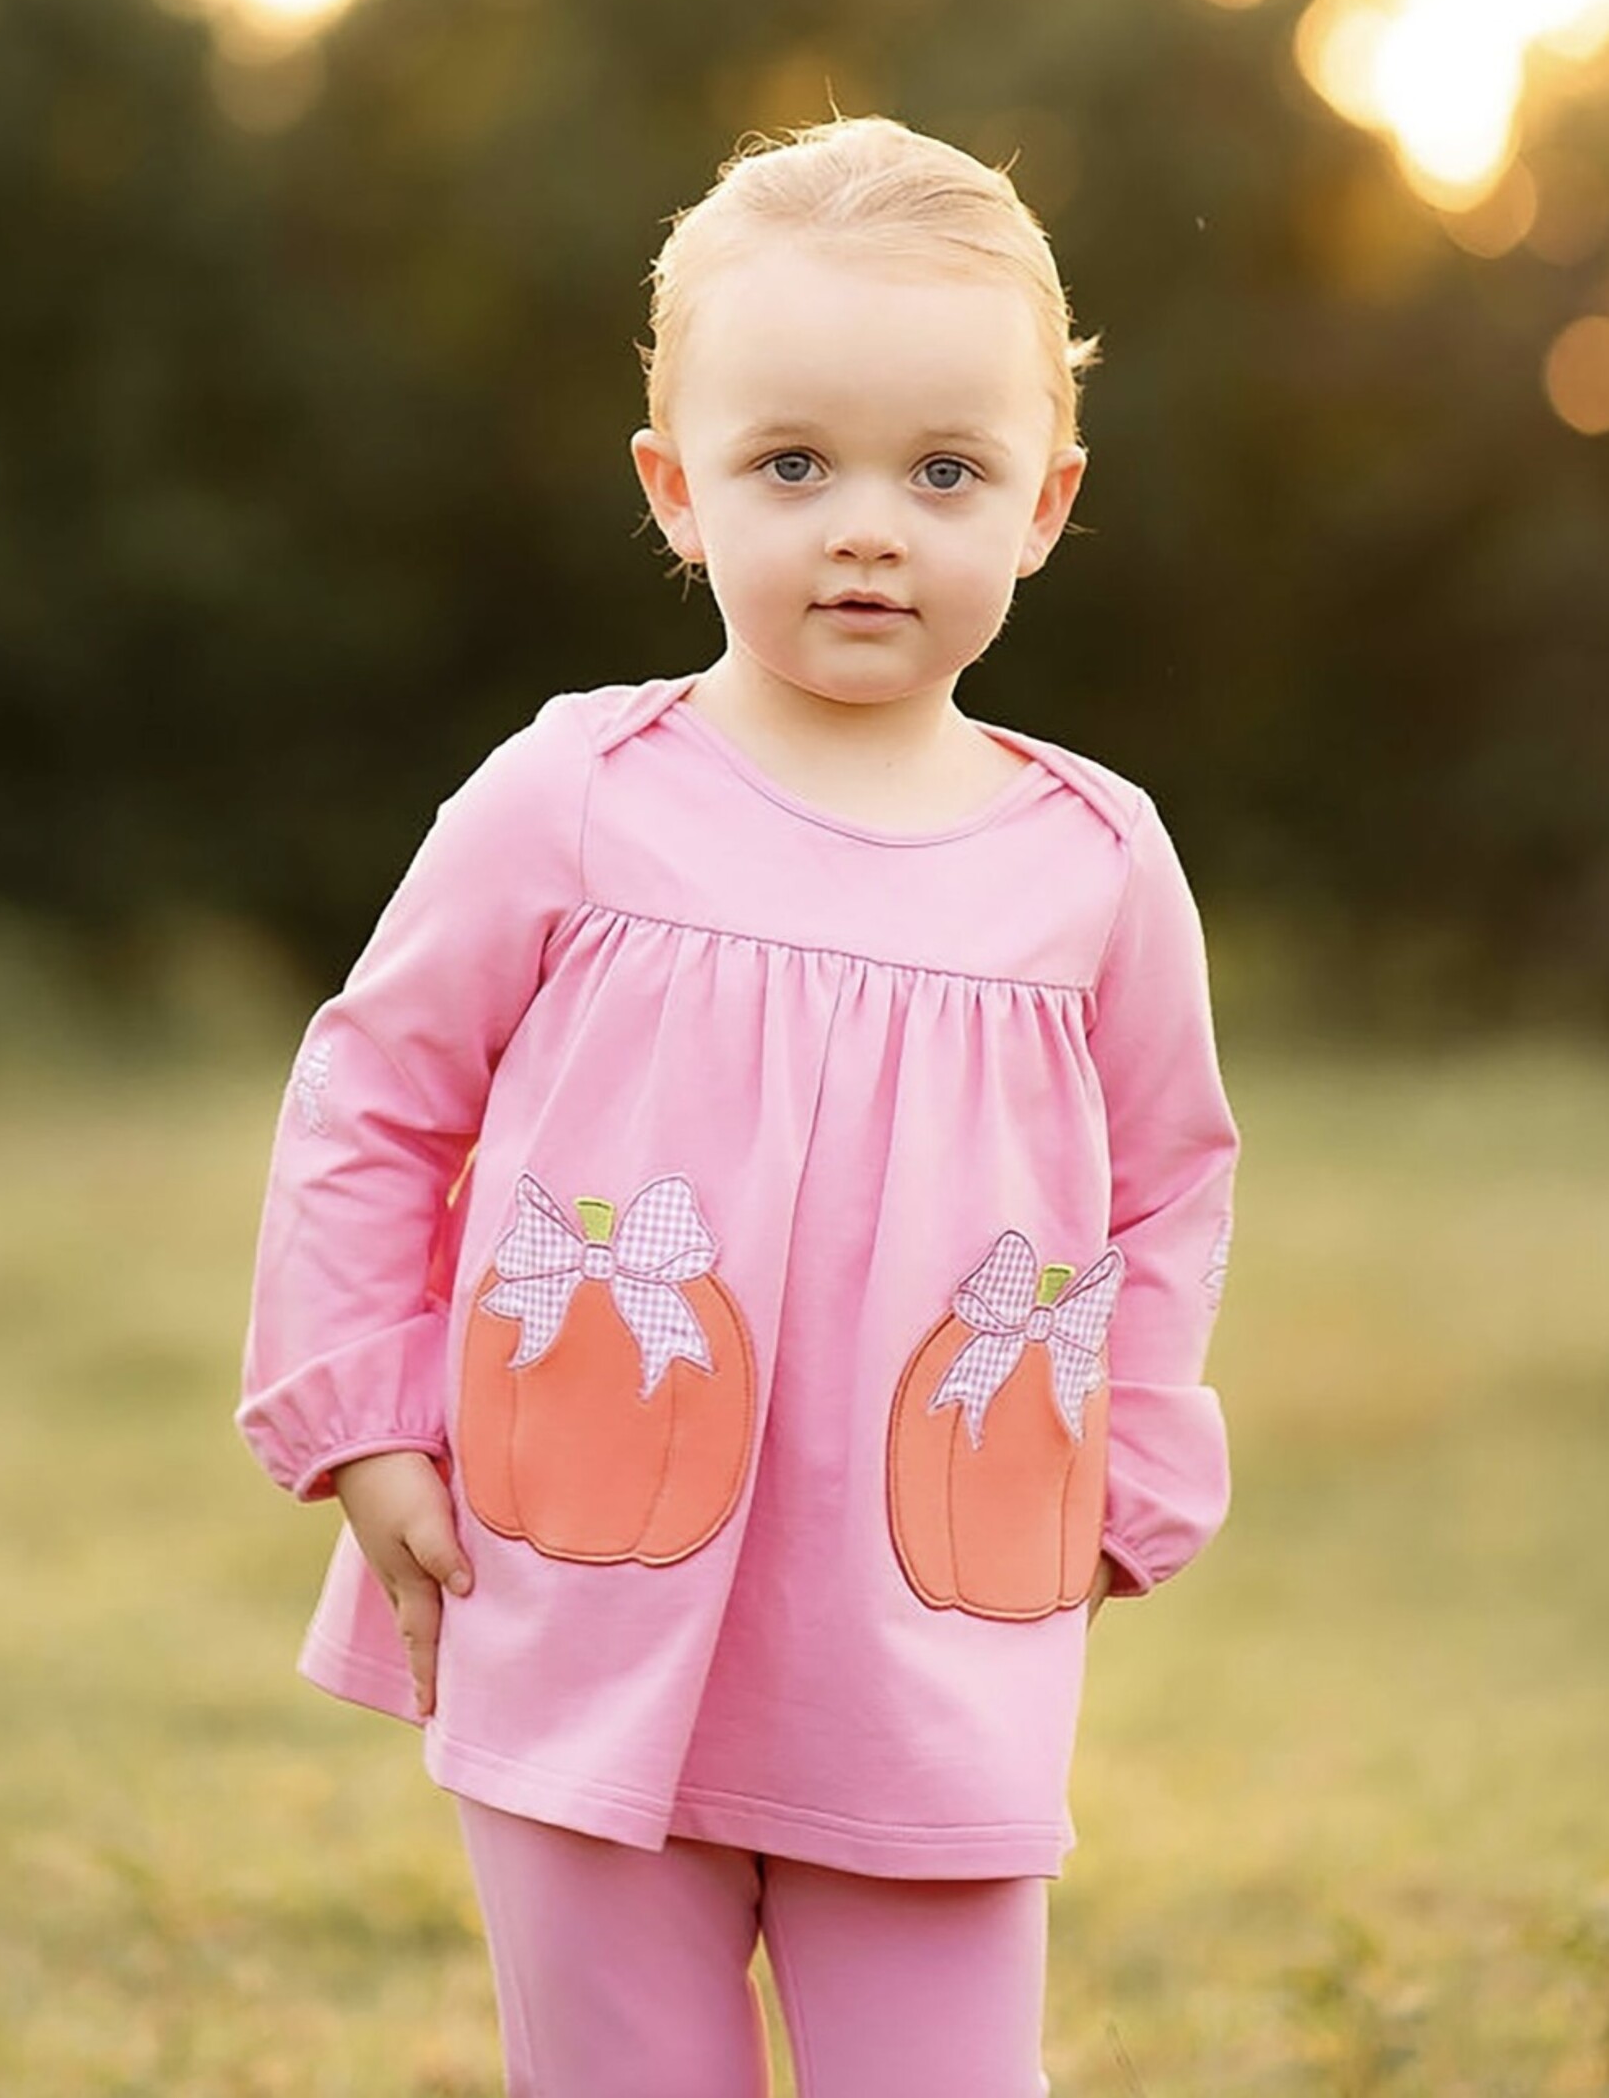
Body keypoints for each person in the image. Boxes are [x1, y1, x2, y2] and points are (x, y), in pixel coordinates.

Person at [238, 115, 1238, 2098]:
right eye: (792, 462)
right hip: (573, 1559)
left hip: (928, 1602)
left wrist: (1116, 1475)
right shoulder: (572, 797)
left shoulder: (1093, 861)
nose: (867, 522)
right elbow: (374, 1090)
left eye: (941, 470)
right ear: (673, 490)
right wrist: (358, 1413)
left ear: (1043, 503)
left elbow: (1166, 1186)